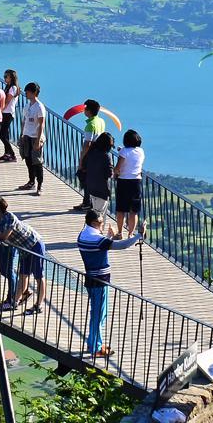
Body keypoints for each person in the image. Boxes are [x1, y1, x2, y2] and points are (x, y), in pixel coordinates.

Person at [76, 211, 144, 358]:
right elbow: (123, 245)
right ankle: (96, 348)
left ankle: (93, 343)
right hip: (100, 281)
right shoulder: (96, 238)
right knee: (99, 314)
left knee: (97, 313)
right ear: (94, 223)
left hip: (91, 278)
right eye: (101, 223)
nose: (102, 225)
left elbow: (98, 248)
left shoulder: (83, 235)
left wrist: (109, 237)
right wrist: (139, 235)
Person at [0, 196, 46, 314]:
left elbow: (4, 236)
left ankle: (38, 305)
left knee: (39, 276)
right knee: (23, 275)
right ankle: (14, 302)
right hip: (24, 249)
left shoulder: (9, 217)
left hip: (34, 244)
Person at [73, 100, 108, 212]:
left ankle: (87, 203)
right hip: (100, 154)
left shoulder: (90, 125)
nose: (84, 110)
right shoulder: (101, 121)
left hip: (90, 155)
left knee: (85, 178)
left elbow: (87, 144)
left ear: (89, 111)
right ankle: (90, 202)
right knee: (92, 178)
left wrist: (81, 160)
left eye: (85, 108)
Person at [16, 82, 45, 196]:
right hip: (27, 135)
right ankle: (31, 181)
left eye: (28, 91)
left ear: (34, 93)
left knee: (37, 162)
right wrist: (21, 134)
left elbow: (41, 124)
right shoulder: (27, 106)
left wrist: (38, 140)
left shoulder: (39, 107)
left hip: (35, 137)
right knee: (27, 159)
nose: (26, 93)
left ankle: (40, 185)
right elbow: (24, 121)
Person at [114, 129, 145, 239]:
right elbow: (130, 154)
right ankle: (131, 234)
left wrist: (115, 174)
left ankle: (119, 233)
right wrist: (121, 150)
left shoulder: (124, 152)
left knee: (121, 209)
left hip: (123, 182)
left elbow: (118, 167)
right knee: (133, 210)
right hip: (136, 182)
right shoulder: (141, 151)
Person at [82, 132, 117, 217]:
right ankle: (97, 230)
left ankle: (94, 228)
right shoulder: (106, 157)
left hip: (91, 187)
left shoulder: (91, 152)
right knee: (99, 216)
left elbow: (84, 165)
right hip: (102, 189)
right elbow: (109, 173)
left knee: (95, 212)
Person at [0, 69, 20, 162]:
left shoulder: (13, 88)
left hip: (8, 113)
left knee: (2, 135)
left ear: (11, 78)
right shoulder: (8, 86)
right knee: (5, 134)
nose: (4, 78)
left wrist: (0, 110)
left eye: (6, 76)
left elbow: (7, 101)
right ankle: (7, 153)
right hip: (5, 113)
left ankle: (12, 154)